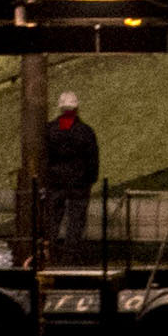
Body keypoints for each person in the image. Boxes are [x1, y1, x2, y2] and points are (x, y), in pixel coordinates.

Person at [40, 90, 101, 258]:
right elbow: (92, 159)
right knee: (76, 219)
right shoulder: (86, 131)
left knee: (52, 219)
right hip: (79, 183)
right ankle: (71, 253)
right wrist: (90, 179)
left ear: (60, 108)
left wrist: (47, 178)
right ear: (76, 108)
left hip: (55, 182)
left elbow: (43, 156)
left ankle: (49, 251)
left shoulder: (49, 130)